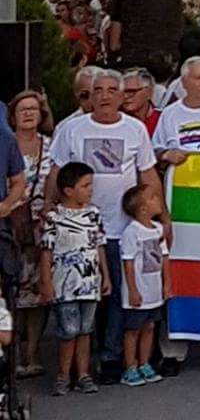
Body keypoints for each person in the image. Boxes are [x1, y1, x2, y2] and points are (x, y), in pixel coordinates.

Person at [45, 68, 159, 383]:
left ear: (123, 96)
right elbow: (57, 171)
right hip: (81, 232)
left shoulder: (135, 129)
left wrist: (163, 217)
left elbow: (147, 175)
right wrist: (47, 205)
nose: (104, 96)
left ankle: (111, 358)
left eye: (112, 90)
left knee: (121, 297)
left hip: (124, 229)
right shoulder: (72, 129)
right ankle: (81, 364)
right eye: (98, 90)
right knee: (88, 299)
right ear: (90, 95)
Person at [41, 162, 103, 397]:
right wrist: (46, 281)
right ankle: (63, 375)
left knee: (85, 330)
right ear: (68, 190)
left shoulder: (94, 214)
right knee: (68, 331)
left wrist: (103, 275)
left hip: (89, 282)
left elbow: (99, 245)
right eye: (85, 185)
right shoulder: (54, 218)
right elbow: (46, 251)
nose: (90, 190)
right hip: (65, 284)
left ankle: (84, 374)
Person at [11, 90, 51, 378]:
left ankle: (33, 351)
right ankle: (12, 350)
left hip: (40, 225)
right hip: (8, 224)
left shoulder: (51, 146)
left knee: (38, 293)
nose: (28, 114)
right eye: (23, 109)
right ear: (12, 116)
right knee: (12, 289)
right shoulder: (3, 145)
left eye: (33, 109)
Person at [117, 183, 166, 387]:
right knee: (133, 329)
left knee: (149, 326)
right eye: (153, 198)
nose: (158, 200)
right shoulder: (132, 232)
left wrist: (167, 283)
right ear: (143, 209)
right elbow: (128, 263)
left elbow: (164, 257)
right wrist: (133, 290)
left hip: (154, 289)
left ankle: (145, 362)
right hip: (138, 290)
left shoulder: (158, 229)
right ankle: (130, 366)